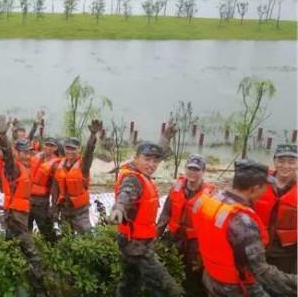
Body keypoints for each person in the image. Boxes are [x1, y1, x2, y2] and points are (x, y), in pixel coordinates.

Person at [193, 159, 297, 296]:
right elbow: (261, 271)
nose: (267, 191)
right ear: (254, 189)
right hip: (236, 287)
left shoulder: (208, 201)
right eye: (265, 186)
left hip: (211, 278)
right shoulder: (243, 222)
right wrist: (294, 281)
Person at [108, 120, 182, 297]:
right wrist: (118, 208)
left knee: (129, 283)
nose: (152, 164)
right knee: (167, 289)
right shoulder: (133, 180)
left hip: (132, 240)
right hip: (137, 246)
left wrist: (166, 137)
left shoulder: (141, 174)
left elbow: (159, 151)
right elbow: (126, 194)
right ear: (136, 158)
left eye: (155, 161)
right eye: (147, 159)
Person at [0, 115, 48, 297]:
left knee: (11, 248)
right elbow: (8, 157)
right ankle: (38, 292)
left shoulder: (25, 166)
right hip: (16, 216)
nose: (27, 155)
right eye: (24, 152)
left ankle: (13, 285)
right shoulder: (14, 167)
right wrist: (3, 137)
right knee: (33, 255)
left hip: (17, 215)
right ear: (17, 153)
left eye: (29, 153)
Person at [157, 154, 215, 296]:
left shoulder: (209, 197)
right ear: (185, 169)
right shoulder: (176, 189)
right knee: (170, 271)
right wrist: (155, 237)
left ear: (203, 172)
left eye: (196, 169)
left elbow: (211, 227)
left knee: (193, 278)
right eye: (190, 168)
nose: (192, 172)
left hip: (195, 244)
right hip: (174, 237)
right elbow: (165, 214)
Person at [253, 144, 297, 274]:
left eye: (291, 162)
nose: (285, 166)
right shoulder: (259, 181)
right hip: (258, 244)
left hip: (287, 251)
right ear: (274, 161)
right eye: (281, 161)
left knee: (282, 286)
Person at [53, 119, 101, 234]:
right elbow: (56, 190)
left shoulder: (83, 166)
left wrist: (92, 136)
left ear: (78, 150)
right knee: (65, 237)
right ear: (64, 149)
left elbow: (89, 152)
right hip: (65, 210)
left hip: (80, 211)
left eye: (73, 149)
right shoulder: (59, 166)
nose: (70, 151)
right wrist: (55, 210)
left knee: (87, 234)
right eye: (68, 148)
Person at [28, 137, 61, 243]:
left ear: (55, 148)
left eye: (51, 146)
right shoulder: (36, 157)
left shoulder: (55, 164)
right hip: (28, 198)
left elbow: (56, 187)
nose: (48, 148)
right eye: (47, 145)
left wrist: (53, 205)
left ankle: (52, 248)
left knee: (44, 226)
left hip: (42, 200)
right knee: (26, 225)